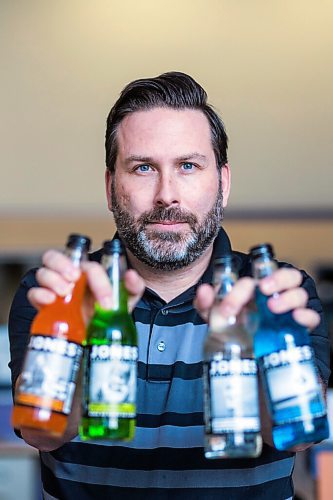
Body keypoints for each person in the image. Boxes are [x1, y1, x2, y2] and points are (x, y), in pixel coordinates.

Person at [8, 72, 330, 500]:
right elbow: (43, 434)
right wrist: (75, 337)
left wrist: (261, 344)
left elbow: (296, 438)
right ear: (110, 187)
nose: (166, 194)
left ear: (223, 183)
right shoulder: (57, 292)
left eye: (188, 166)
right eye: (143, 167)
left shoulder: (281, 293)